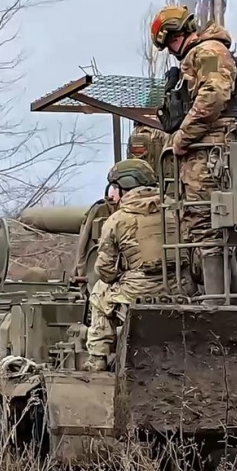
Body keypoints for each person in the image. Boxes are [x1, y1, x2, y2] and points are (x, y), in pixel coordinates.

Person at [150, 4, 237, 304]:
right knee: (208, 228)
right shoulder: (202, 54)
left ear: (177, 34)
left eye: (169, 43)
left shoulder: (208, 52)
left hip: (209, 156)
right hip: (204, 155)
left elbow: (213, 95)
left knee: (207, 226)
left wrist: (182, 138)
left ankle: (219, 303)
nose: (170, 50)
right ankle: (230, 299)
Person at [84, 158, 176, 371]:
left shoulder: (117, 220)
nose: (111, 195)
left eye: (114, 188)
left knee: (99, 293)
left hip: (137, 292)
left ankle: (98, 357)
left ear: (124, 188)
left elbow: (105, 270)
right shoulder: (177, 210)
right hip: (179, 289)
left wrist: (123, 275)